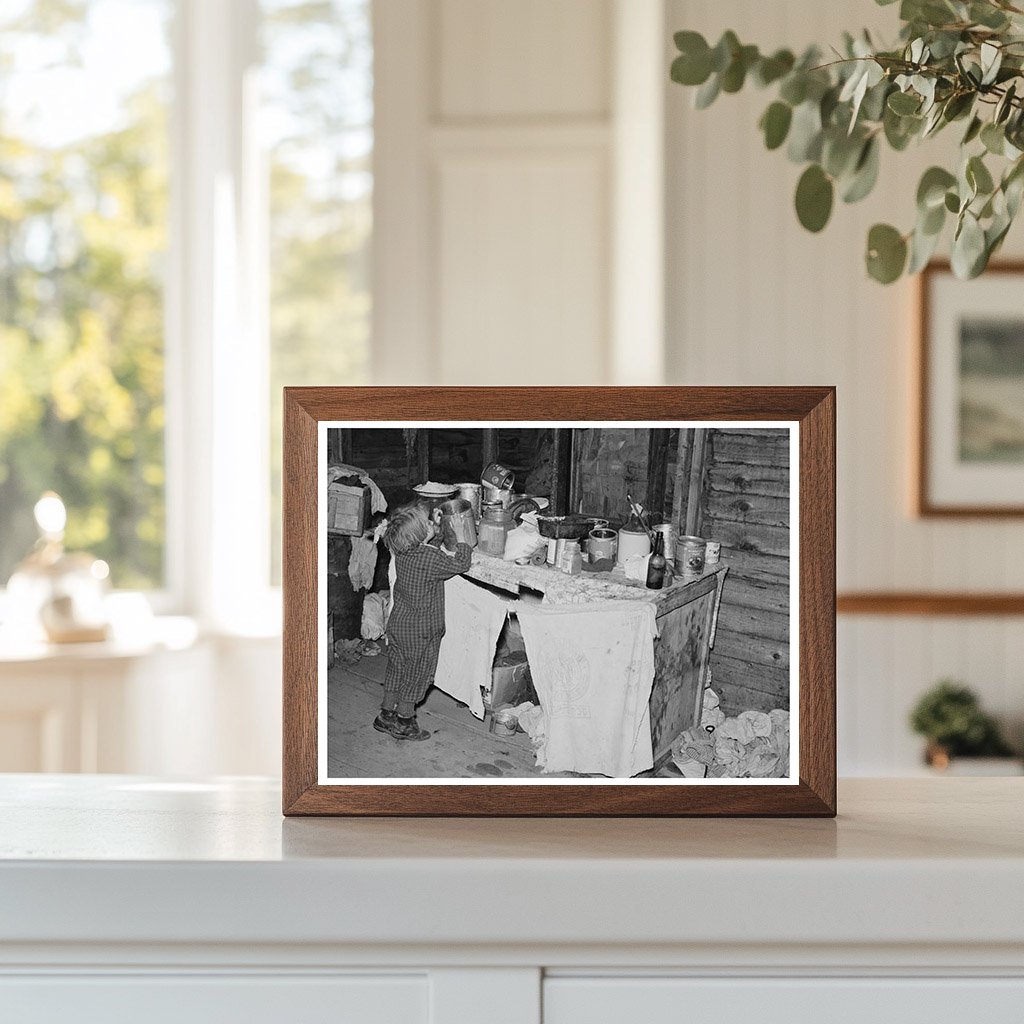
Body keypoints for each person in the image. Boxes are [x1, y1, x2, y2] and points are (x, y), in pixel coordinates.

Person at [375, 502, 472, 740]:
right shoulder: (429, 558)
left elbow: (429, 552)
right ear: (419, 535)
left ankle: (386, 715)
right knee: (416, 674)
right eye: (428, 523)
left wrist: (434, 534)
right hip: (420, 631)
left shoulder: (403, 552)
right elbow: (461, 564)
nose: (432, 523)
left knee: (397, 669)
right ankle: (405, 721)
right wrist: (463, 541)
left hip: (398, 626)